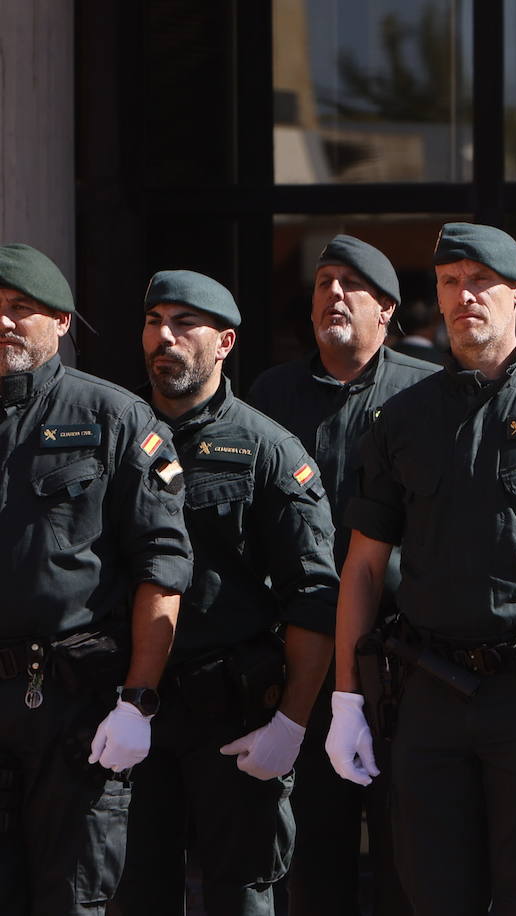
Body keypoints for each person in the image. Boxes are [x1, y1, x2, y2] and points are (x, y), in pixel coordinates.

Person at [325, 223, 516, 916]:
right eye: (450, 283)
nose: (465, 296)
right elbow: (364, 568)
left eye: (481, 281)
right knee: (434, 894)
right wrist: (347, 697)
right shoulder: (400, 420)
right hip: (429, 696)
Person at [110, 270, 338, 915]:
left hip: (231, 715)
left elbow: (314, 595)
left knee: (242, 894)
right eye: (155, 322)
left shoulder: (267, 448)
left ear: (226, 341)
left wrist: (291, 723)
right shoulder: (114, 434)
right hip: (128, 707)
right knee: (133, 893)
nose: (165, 337)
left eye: (185, 324)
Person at [0, 244, 193, 914]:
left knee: (71, 895)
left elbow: (162, 565)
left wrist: (138, 699)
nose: (3, 321)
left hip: (74, 702)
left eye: (21, 309)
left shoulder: (116, 420)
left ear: (61, 323)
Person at [248, 234, 437, 916]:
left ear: (386, 309)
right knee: (312, 858)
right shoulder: (273, 394)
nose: (332, 294)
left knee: (408, 858)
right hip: (307, 659)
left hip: (406, 664)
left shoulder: (428, 391)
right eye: (324, 281)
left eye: (350, 284)